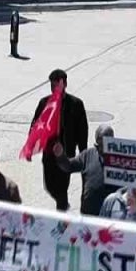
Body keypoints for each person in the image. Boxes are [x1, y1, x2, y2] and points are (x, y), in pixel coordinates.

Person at [34, 69, 89, 211]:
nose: (54, 89)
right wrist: (31, 145)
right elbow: (35, 125)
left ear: (65, 84)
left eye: (57, 85)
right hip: (48, 154)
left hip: (66, 156)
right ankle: (61, 202)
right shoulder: (44, 103)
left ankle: (62, 211)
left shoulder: (76, 104)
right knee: (49, 186)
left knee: (62, 188)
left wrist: (84, 153)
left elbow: (82, 130)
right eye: (52, 86)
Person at [52, 124, 115, 216]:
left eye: (107, 145)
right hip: (87, 217)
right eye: (100, 146)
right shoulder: (87, 155)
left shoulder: (120, 160)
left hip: (109, 218)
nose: (103, 149)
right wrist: (60, 155)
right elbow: (68, 166)